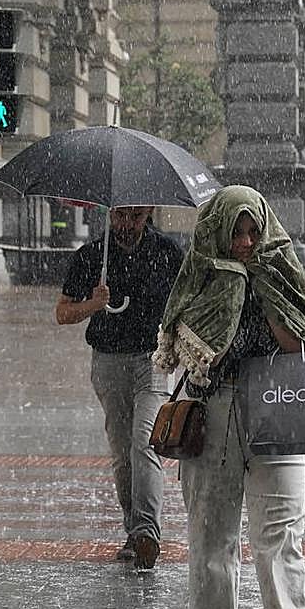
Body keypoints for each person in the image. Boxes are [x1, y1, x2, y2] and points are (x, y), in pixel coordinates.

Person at [152, 185, 305, 609]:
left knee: (281, 528)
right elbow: (185, 344)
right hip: (213, 408)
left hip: (279, 401)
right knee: (212, 528)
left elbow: (304, 341)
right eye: (236, 230)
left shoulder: (281, 267)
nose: (246, 240)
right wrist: (226, 299)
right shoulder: (200, 272)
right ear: (218, 229)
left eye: (253, 229)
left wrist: (262, 290)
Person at [56, 206, 182, 571]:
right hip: (108, 361)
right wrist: (93, 304)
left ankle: (146, 532)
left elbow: (186, 301)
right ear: (110, 215)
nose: (126, 225)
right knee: (122, 453)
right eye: (121, 216)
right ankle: (133, 528)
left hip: (152, 360)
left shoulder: (167, 253)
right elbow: (62, 312)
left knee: (145, 442)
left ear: (149, 215)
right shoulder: (93, 256)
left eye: (136, 217)